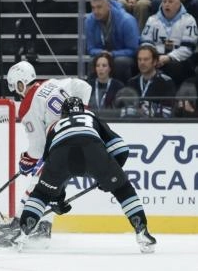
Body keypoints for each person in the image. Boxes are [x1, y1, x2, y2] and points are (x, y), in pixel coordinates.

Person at [13, 97, 157, 254]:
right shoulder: (91, 117)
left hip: (60, 155)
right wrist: (111, 174)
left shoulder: (54, 126)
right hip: (93, 150)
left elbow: (51, 165)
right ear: (82, 110)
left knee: (41, 193)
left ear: (63, 113)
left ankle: (22, 232)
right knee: (123, 190)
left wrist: (56, 198)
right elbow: (121, 148)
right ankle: (142, 231)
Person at [0, 61, 92, 246]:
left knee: (40, 183)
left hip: (64, 145)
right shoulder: (53, 83)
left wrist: (27, 160)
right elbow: (84, 86)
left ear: (20, 83)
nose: (17, 92)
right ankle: (44, 226)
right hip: (85, 140)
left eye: (16, 87)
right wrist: (82, 113)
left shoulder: (27, 106)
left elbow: (38, 148)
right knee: (52, 184)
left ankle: (19, 223)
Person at [141, 0, 198, 87]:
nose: (167, 4)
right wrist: (153, 57)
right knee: (141, 61)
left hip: (179, 59)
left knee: (173, 66)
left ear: (178, 4)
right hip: (156, 57)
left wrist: (168, 57)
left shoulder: (189, 20)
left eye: (170, 2)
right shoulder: (152, 20)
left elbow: (188, 49)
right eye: (164, 1)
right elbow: (146, 43)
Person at [85, 0, 139, 84]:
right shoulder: (89, 20)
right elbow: (90, 48)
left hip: (123, 56)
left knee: (119, 62)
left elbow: (133, 49)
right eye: (93, 8)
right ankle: (92, 93)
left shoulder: (127, 21)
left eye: (99, 7)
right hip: (102, 54)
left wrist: (113, 54)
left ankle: (123, 93)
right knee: (93, 62)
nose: (95, 11)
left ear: (109, 6)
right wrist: (101, 53)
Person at [125, 45, 176, 117]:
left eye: (146, 59)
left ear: (155, 61)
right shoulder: (132, 82)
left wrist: (147, 113)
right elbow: (127, 109)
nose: (142, 62)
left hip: (157, 126)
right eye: (139, 59)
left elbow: (167, 112)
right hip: (134, 125)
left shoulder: (166, 82)